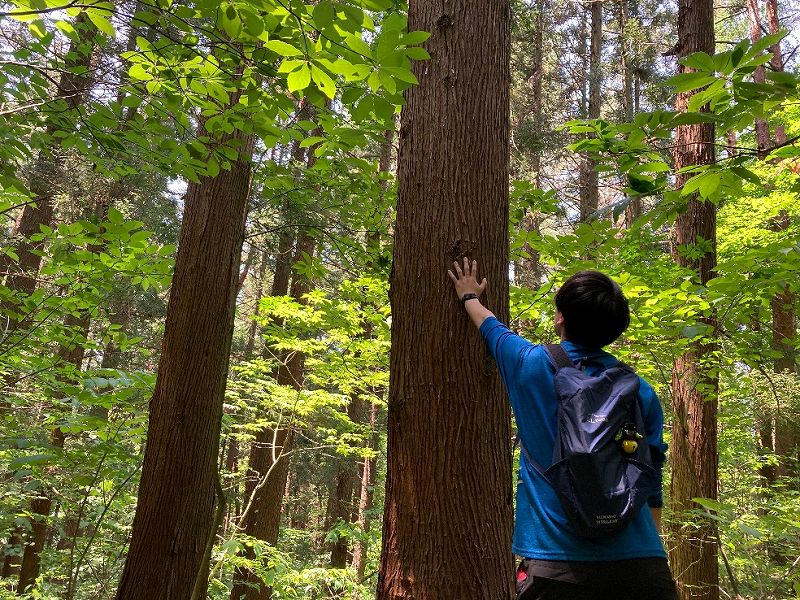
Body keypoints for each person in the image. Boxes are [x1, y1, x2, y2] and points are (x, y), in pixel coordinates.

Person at [448, 257, 678, 600]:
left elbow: (491, 328)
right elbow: (651, 481)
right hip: (643, 569)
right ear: (615, 329)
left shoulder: (533, 365)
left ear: (561, 318)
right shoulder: (639, 390)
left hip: (556, 568)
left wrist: (469, 296)